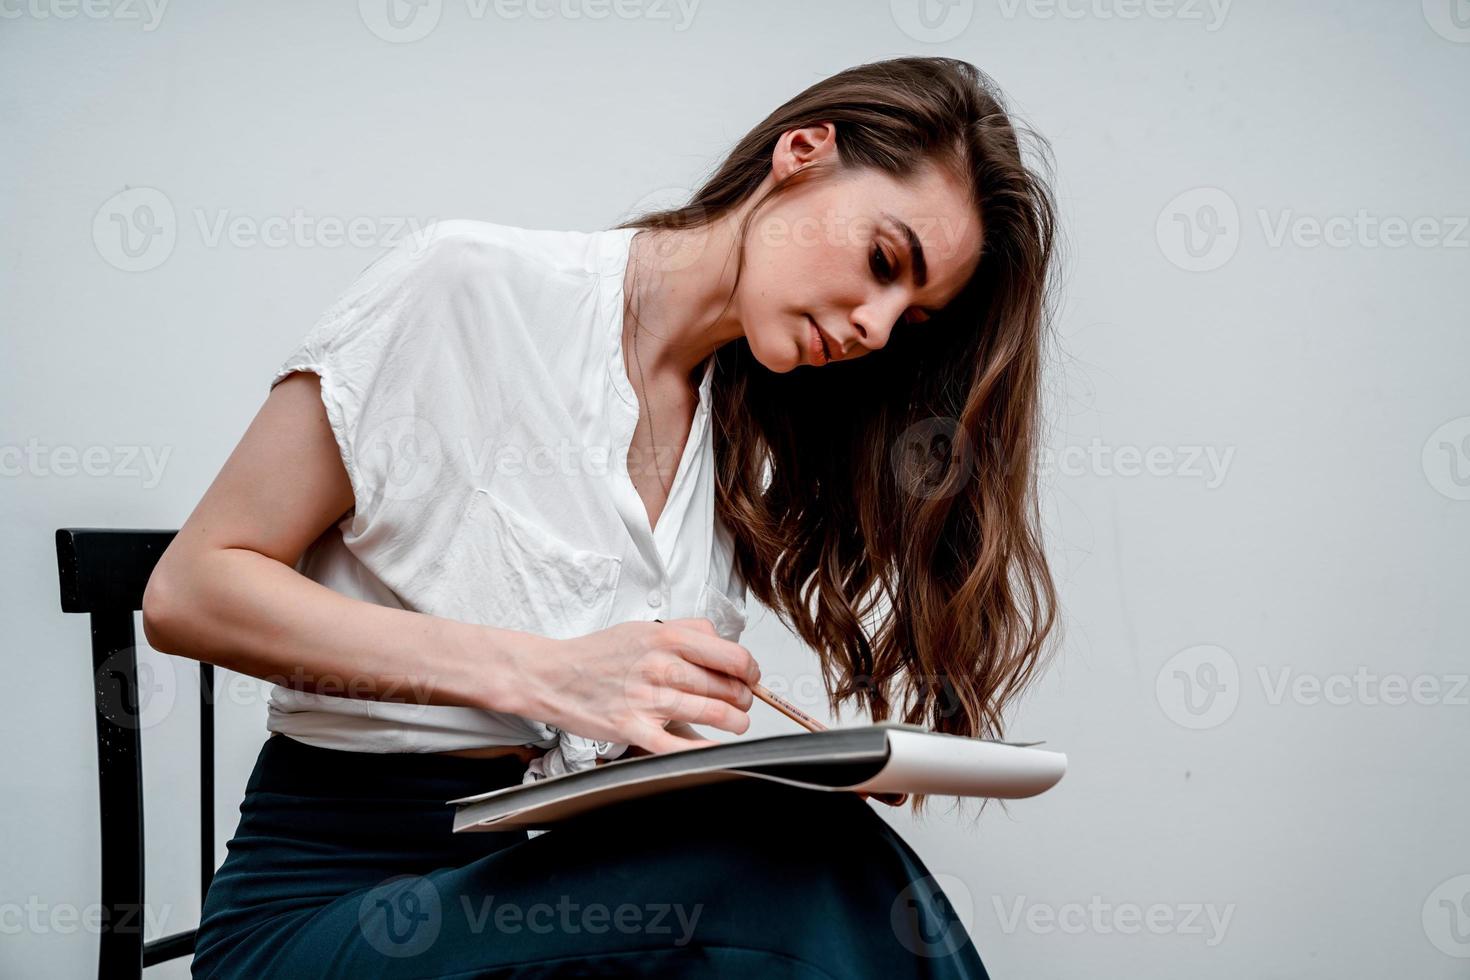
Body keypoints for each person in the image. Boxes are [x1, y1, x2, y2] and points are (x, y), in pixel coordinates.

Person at [142, 54, 1062, 978]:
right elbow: (192, 588)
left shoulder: (730, 434)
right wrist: (549, 675)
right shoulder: (468, 287)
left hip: (541, 898)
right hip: (332, 914)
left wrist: (752, 746)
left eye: (910, 317)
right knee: (802, 867)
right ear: (804, 153)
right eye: (881, 262)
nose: (876, 324)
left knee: (804, 840)